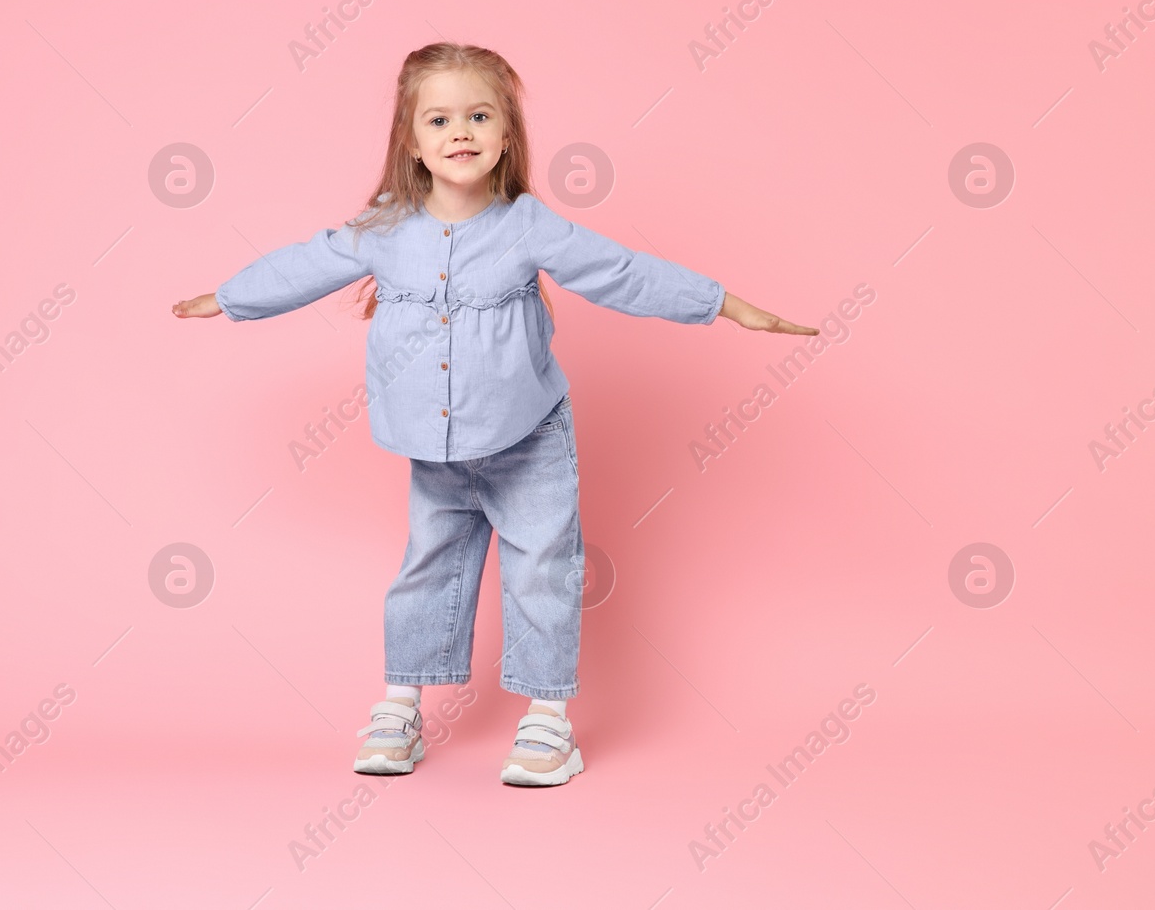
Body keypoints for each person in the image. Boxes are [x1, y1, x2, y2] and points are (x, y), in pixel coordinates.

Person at [172, 42, 816, 787]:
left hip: (527, 437)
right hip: (435, 445)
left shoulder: (528, 225)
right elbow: (305, 263)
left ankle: (547, 720)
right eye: (439, 119)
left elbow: (621, 272)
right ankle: (399, 707)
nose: (461, 132)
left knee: (542, 567)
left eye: (479, 115)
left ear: (506, 134)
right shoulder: (384, 229)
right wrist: (228, 297)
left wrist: (725, 305)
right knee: (427, 569)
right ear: (411, 142)